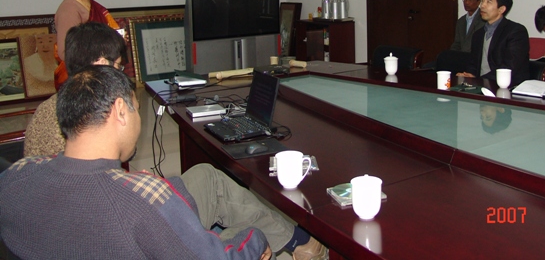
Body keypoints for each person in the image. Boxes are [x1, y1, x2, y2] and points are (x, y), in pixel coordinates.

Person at [1, 66, 327, 260]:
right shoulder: (143, 199)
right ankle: (299, 245)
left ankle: (299, 241)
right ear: (120, 111)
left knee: (207, 178)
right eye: (135, 108)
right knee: (251, 235)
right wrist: (256, 240)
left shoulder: (16, 176)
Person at [24, 22, 127, 156]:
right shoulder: (95, 110)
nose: (119, 73)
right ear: (102, 64)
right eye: (118, 66)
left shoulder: (49, 104)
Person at [53, 0, 121, 89]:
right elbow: (66, 52)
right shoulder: (69, 10)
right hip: (84, 83)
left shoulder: (93, 6)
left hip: (101, 77)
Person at [457, 0, 530, 86]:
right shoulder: (478, 34)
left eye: (489, 1)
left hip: (508, 87)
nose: (482, 5)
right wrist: (469, 75)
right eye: (482, 0)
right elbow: (473, 64)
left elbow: (508, 68)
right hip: (481, 85)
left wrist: (479, 80)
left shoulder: (516, 32)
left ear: (501, 9)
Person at [430, 0, 485, 73]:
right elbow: (457, 43)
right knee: (438, 63)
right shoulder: (461, 21)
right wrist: (453, 55)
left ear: (478, 2)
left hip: (474, 59)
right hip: (460, 58)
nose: (467, 2)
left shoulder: (483, 20)